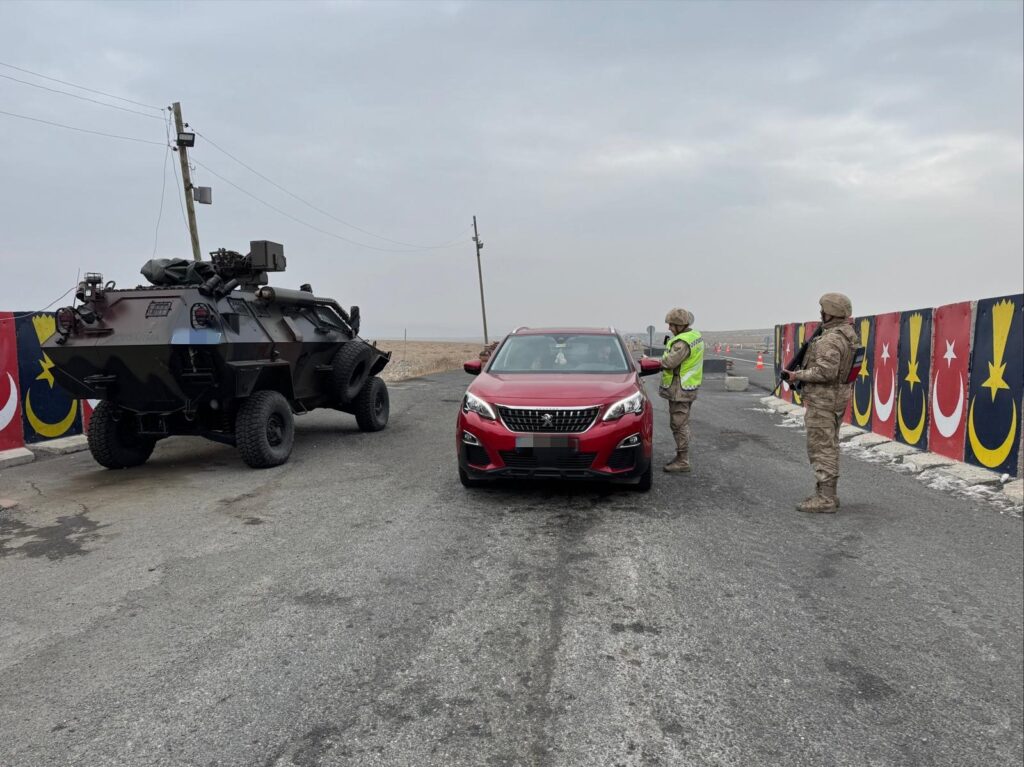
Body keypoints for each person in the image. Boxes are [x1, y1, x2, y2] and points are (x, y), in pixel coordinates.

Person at [782, 292, 858, 513]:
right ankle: (826, 493)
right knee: (828, 444)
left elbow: (826, 372)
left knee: (821, 447)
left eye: (823, 310)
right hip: (835, 398)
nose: (821, 313)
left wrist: (798, 376)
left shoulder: (831, 339)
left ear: (830, 313)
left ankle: (826, 499)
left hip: (823, 399)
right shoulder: (847, 334)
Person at [659, 308, 704, 473]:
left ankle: (683, 460)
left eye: (672, 324)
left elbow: (669, 362)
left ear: (680, 325)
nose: (669, 328)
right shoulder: (694, 337)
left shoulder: (682, 343)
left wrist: (656, 362)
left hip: (680, 389)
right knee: (680, 423)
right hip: (686, 388)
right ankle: (681, 456)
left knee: (679, 424)